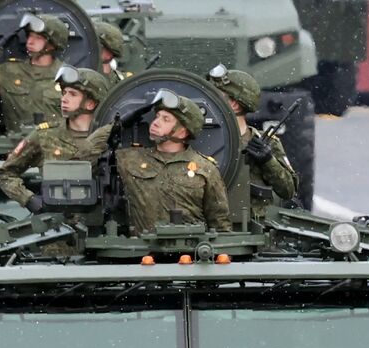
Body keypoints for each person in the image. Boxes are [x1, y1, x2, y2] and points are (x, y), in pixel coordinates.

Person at [0, 66, 111, 210]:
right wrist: (28, 199)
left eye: (73, 94)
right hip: (57, 223)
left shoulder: (111, 138)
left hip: (104, 225)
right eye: (64, 93)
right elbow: (5, 173)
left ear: (90, 103)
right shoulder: (45, 135)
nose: (64, 99)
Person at [116, 91, 231, 233]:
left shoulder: (205, 169)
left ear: (182, 132)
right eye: (157, 117)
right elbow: (87, 153)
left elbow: (220, 225)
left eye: (166, 119)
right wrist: (119, 124)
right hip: (142, 251)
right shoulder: (130, 160)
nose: (155, 123)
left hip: (189, 252)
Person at [209, 66, 298, 219]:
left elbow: (288, 191)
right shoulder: (202, 140)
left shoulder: (266, 142)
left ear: (234, 104)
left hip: (251, 225)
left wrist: (268, 161)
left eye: (217, 97)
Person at [0, 12, 67, 131]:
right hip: (16, 145)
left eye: (38, 38)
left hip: (55, 146)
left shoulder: (67, 76)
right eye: (29, 36)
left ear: (52, 44)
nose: (30, 41)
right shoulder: (8, 71)